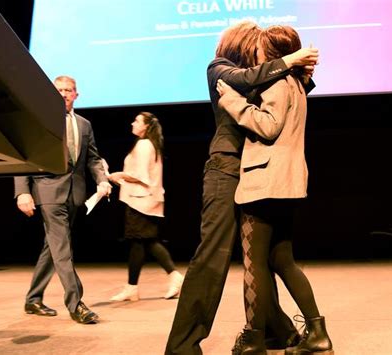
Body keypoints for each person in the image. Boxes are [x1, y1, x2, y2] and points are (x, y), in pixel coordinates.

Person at [165, 21, 319, 355]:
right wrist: (287, 62)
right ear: (243, 46)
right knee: (214, 255)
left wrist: (302, 73)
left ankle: (277, 331)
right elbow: (245, 82)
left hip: (257, 172)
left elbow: (290, 97)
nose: (260, 55)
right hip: (226, 168)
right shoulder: (220, 69)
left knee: (260, 258)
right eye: (256, 48)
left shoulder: (262, 75)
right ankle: (182, 346)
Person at [216, 25, 333, 354]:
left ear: (271, 54)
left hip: (263, 185)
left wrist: (234, 103)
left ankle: (254, 339)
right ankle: (317, 333)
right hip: (287, 184)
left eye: (260, 49)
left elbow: (268, 127)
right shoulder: (296, 82)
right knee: (282, 261)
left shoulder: (278, 82)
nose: (255, 53)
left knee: (254, 264)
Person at [14, 75, 111, 324]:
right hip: (47, 192)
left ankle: (33, 299)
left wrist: (101, 179)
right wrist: (22, 191)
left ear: (76, 95)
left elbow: (93, 158)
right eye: (59, 90)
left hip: (74, 194)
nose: (64, 94)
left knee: (53, 247)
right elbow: (24, 157)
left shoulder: (84, 124)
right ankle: (75, 303)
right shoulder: (38, 122)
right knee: (62, 248)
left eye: (69, 90)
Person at [107, 112, 184, 301]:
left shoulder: (143, 145)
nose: (133, 123)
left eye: (137, 121)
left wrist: (118, 175)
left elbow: (141, 175)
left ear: (146, 126)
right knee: (143, 242)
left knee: (143, 241)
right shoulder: (151, 144)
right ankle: (133, 287)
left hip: (140, 200)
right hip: (144, 198)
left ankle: (173, 276)